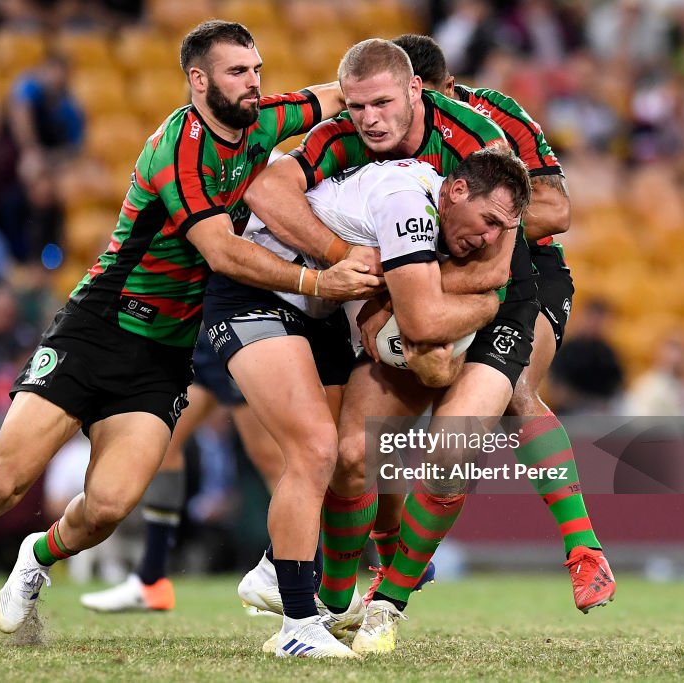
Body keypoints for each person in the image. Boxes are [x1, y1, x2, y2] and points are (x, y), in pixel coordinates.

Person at [0, 20, 381, 648]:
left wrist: (419, 86)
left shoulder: (263, 120)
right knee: (2, 480)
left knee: (106, 508)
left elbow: (342, 92)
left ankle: (37, 555)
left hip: (163, 356)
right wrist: (322, 282)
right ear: (198, 79)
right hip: (98, 328)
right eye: (238, 72)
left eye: (258, 70)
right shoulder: (177, 147)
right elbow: (219, 252)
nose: (254, 84)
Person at [242, 38, 608, 655]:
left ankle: (578, 548)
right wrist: (354, 264)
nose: (371, 119)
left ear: (423, 91)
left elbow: (544, 214)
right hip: (415, 284)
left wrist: (404, 281)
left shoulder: (482, 131)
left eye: (386, 102)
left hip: (513, 282)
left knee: (489, 413)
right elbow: (267, 191)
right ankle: (342, 594)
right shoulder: (347, 139)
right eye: (358, 107)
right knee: (355, 449)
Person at [226, 145, 527, 659]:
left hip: (335, 312)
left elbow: (450, 306)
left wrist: (422, 308)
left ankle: (355, 598)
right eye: (489, 221)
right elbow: (422, 324)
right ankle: (309, 597)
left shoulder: (454, 221)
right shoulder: (406, 201)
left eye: (505, 229)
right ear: (455, 191)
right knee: (329, 453)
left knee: (386, 454)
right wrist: (456, 306)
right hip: (269, 295)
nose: (492, 239)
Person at [353, 33, 614, 619]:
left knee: (507, 395)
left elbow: (556, 209)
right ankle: (391, 552)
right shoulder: (367, 132)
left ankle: (583, 549)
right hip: (428, 272)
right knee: (379, 422)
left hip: (527, 275)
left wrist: (485, 234)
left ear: (435, 90)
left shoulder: (491, 119)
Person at [76, 327, 284, 613]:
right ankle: (151, 581)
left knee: (272, 461)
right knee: (164, 442)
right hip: (209, 333)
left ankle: (301, 578)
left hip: (241, 326)